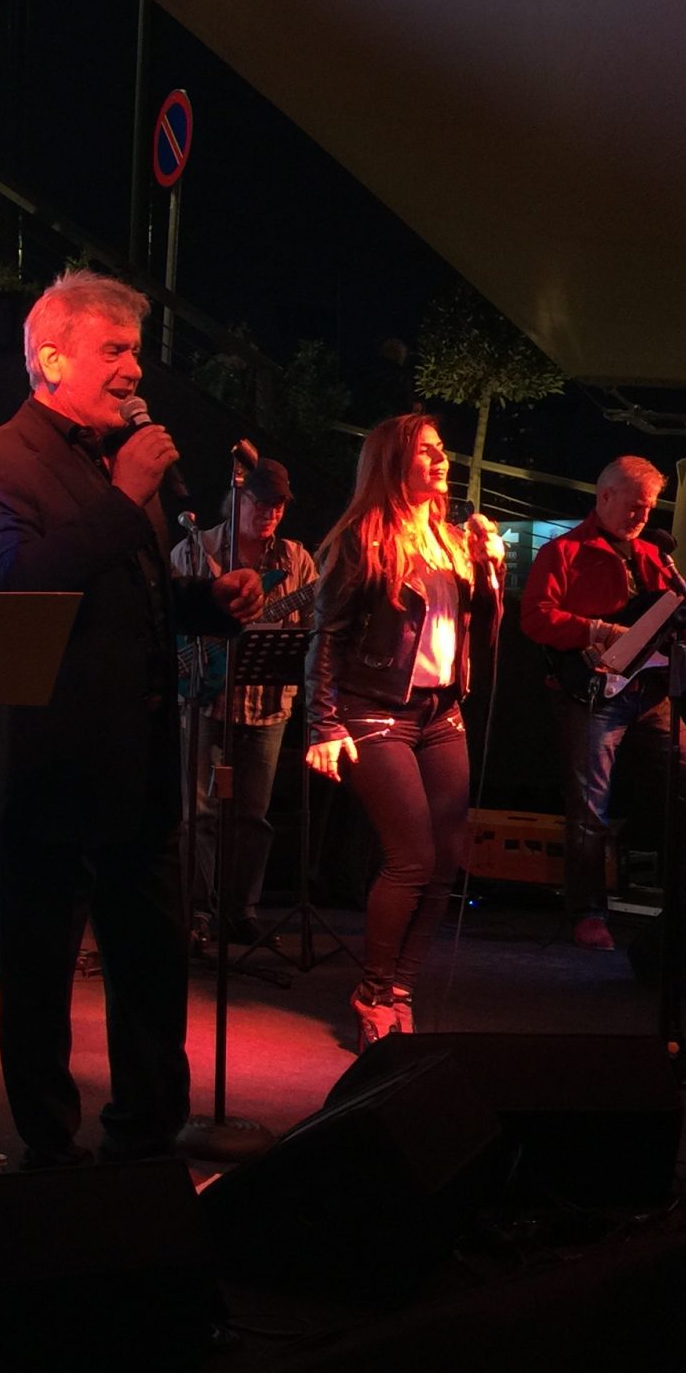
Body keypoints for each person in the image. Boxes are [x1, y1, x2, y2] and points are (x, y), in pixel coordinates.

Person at [0, 270, 263, 1169]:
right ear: (52, 360)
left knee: (152, 966)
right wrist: (123, 498)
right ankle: (50, 1158)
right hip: (42, 769)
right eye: (114, 351)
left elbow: (125, 600)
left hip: (137, 768)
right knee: (39, 979)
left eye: (136, 352)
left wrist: (204, 602)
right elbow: (16, 585)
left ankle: (146, 1142)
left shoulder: (123, 464)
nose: (134, 371)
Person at [302, 414, 504, 1047]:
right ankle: (372, 991)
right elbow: (326, 636)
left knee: (446, 861)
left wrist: (491, 572)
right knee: (411, 858)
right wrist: (323, 723)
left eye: (443, 450)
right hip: (375, 711)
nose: (442, 461)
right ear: (393, 463)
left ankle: (401, 991)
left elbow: (482, 633)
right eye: (426, 452)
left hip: (442, 712)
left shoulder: (451, 539)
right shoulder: (363, 539)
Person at [518, 456, 686, 952]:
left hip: (649, 694)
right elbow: (534, 618)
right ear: (604, 496)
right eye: (635, 506)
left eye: (650, 508)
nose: (643, 516)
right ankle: (588, 913)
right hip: (590, 694)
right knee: (590, 809)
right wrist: (597, 630)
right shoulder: (563, 552)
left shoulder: (656, 557)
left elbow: (685, 629)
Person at [170, 458, 318, 952]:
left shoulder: (297, 559)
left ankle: (241, 911)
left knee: (253, 816)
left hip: (267, 702)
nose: (271, 513)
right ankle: (195, 912)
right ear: (237, 498)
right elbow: (166, 619)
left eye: (279, 505)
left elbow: (312, 625)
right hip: (203, 698)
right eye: (261, 502)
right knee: (198, 814)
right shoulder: (196, 549)